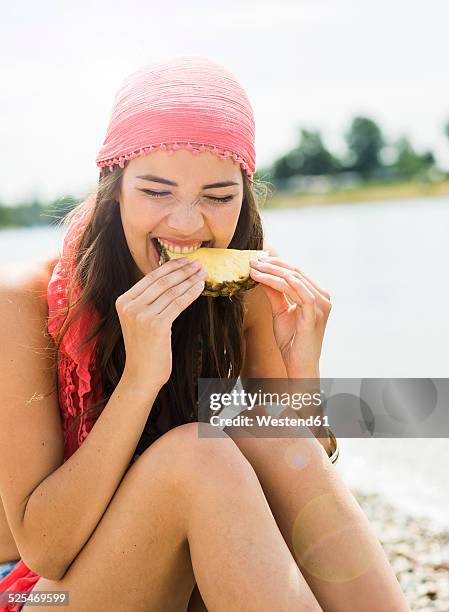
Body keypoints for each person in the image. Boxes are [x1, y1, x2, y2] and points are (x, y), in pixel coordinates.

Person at [0, 56, 409, 611]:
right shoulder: (20, 302)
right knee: (200, 455)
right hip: (45, 594)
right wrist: (142, 379)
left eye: (218, 197)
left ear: (245, 195)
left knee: (262, 430)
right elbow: (46, 550)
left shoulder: (248, 288)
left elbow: (296, 477)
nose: (187, 224)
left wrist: (301, 379)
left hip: (185, 575)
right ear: (113, 188)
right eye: (156, 192)